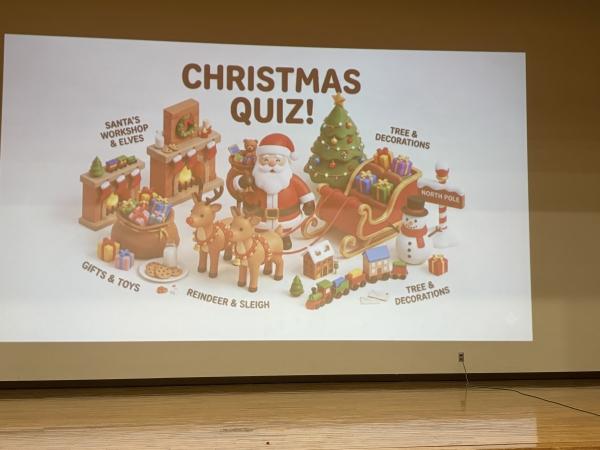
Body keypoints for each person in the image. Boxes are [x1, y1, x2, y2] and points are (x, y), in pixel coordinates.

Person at [233, 133, 315, 250]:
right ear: (259, 160)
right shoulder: (253, 178)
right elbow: (237, 187)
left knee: (283, 230)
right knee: (258, 234)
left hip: (284, 221)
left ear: (285, 161)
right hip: (258, 220)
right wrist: (242, 182)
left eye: (278, 160)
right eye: (266, 160)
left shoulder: (291, 179)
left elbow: (304, 192)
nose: (272, 163)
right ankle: (259, 238)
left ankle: (284, 237)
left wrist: (308, 202)